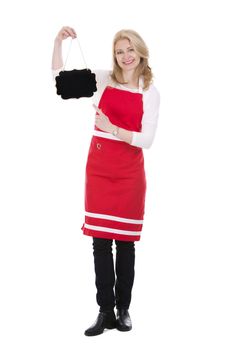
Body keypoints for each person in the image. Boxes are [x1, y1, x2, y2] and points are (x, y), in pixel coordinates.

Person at [52, 26, 160, 336]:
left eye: (130, 50)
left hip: (129, 174)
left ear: (140, 51)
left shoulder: (149, 92)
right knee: (100, 245)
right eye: (119, 51)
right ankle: (104, 312)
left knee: (125, 245)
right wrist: (58, 43)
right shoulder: (104, 80)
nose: (125, 56)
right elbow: (60, 83)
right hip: (99, 171)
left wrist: (112, 128)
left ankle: (123, 310)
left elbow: (147, 139)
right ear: (114, 56)